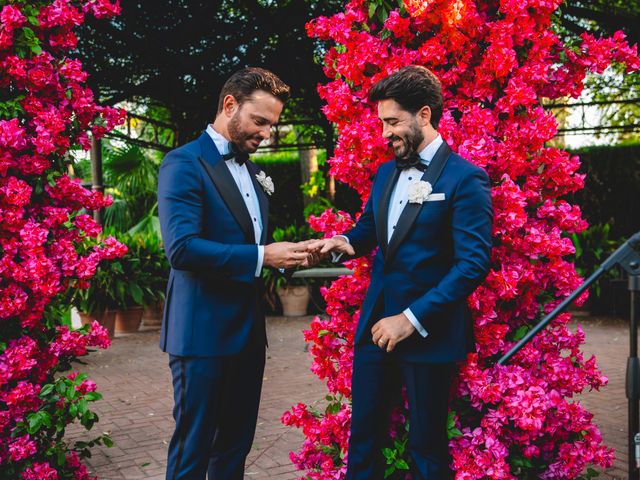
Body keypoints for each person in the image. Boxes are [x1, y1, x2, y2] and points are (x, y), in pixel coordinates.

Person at [307, 65, 493, 479]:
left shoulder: (466, 179)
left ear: (424, 115)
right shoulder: (387, 172)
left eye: (393, 121)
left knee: (426, 447)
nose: (385, 133)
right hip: (375, 326)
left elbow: (472, 264)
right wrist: (346, 243)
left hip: (429, 332)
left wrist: (411, 319)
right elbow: (374, 229)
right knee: (363, 440)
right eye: (382, 123)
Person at [157, 67, 312, 480]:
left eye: (271, 125)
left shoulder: (253, 172)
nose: (265, 134)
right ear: (230, 105)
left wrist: (290, 255)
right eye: (259, 121)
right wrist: (262, 256)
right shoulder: (184, 163)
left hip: (247, 335)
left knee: (234, 448)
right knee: (195, 447)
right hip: (201, 335)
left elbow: (250, 241)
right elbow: (182, 248)